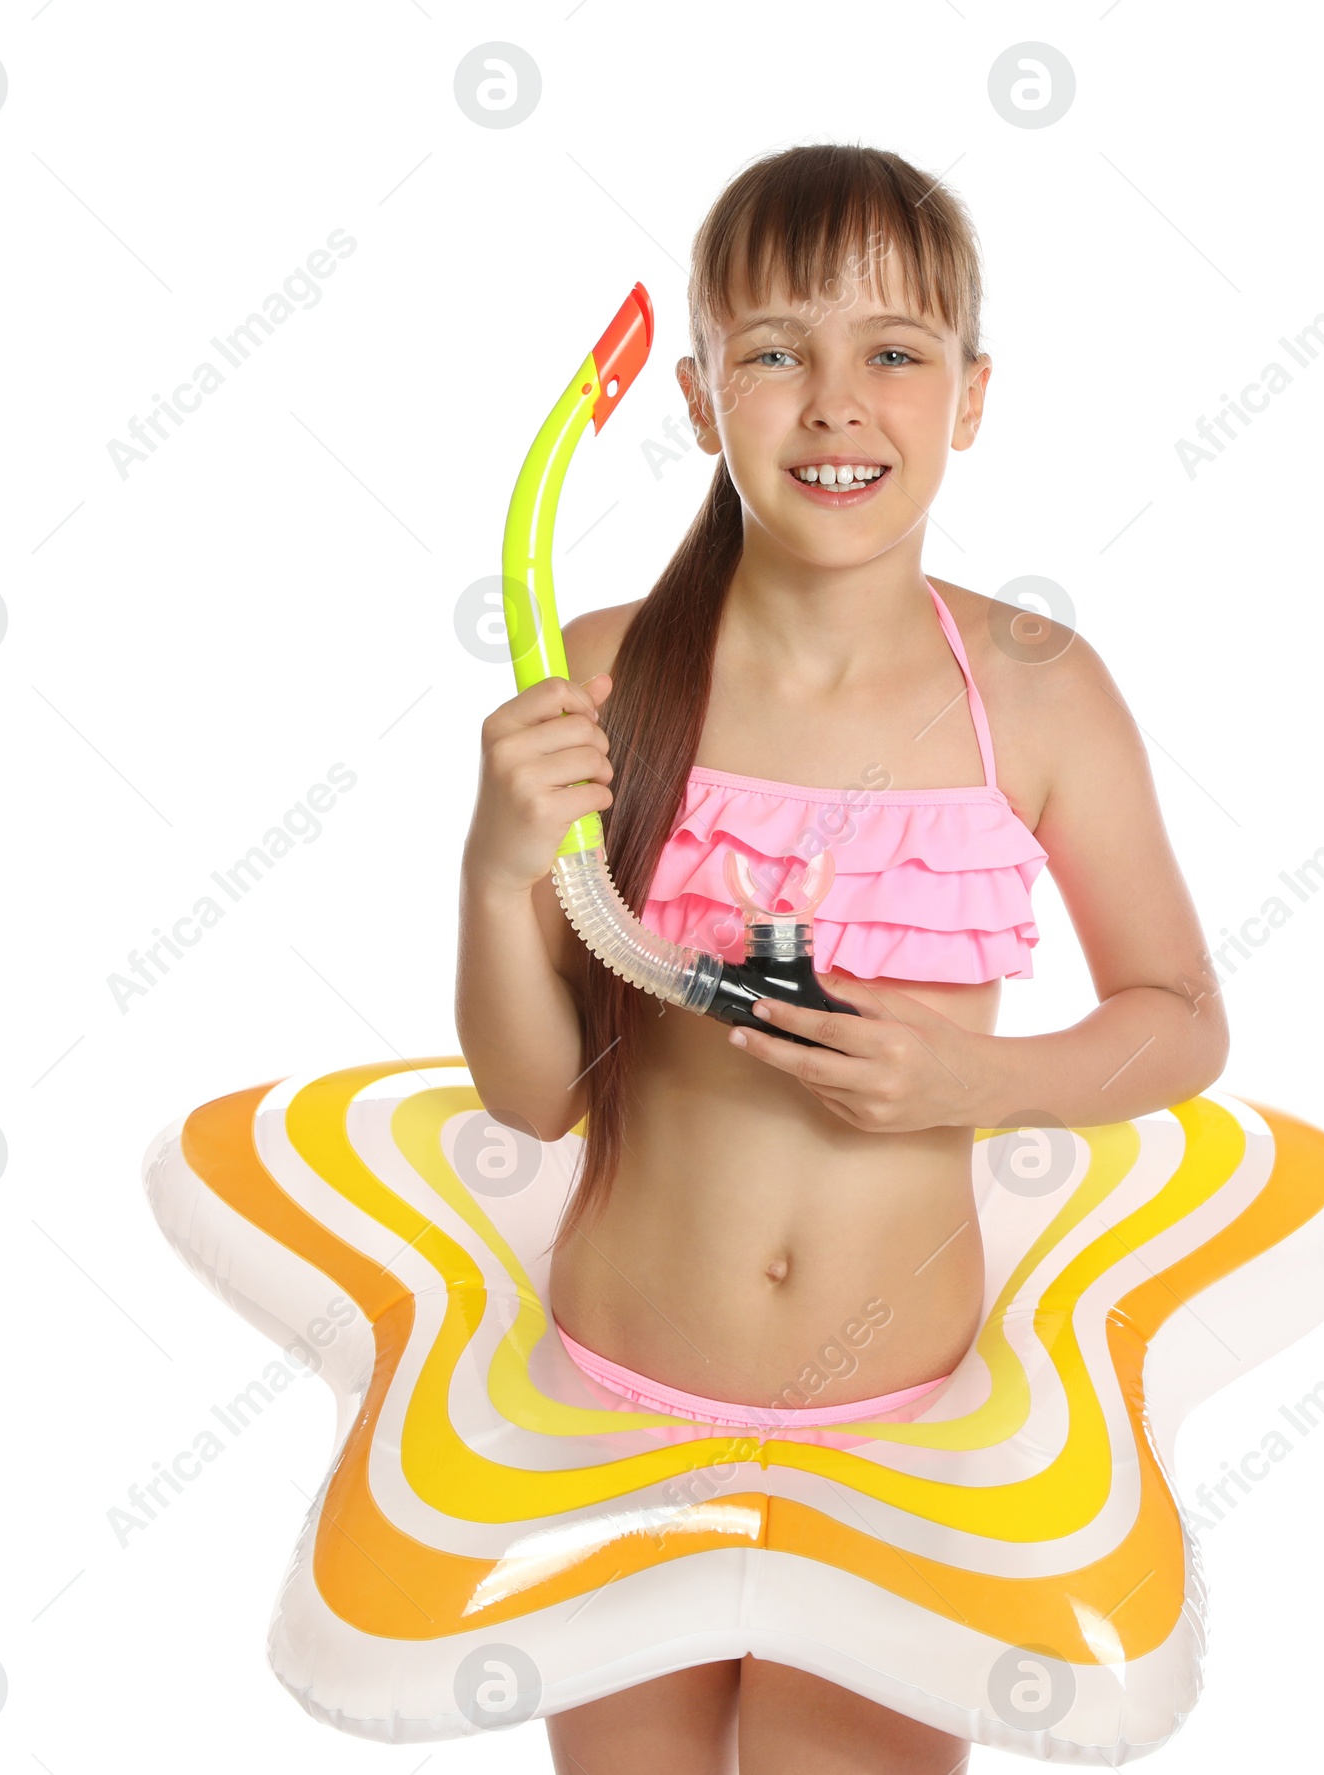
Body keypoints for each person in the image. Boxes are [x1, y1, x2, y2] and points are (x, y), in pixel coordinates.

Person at [454, 142, 1229, 1775]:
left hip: (894, 1432)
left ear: (972, 394)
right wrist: (496, 857)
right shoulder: (598, 672)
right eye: (773, 352)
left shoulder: (1037, 691)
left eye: (894, 351)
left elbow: (1181, 1020)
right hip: (623, 1405)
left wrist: (978, 1077)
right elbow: (532, 1099)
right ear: (693, 392)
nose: (833, 401)